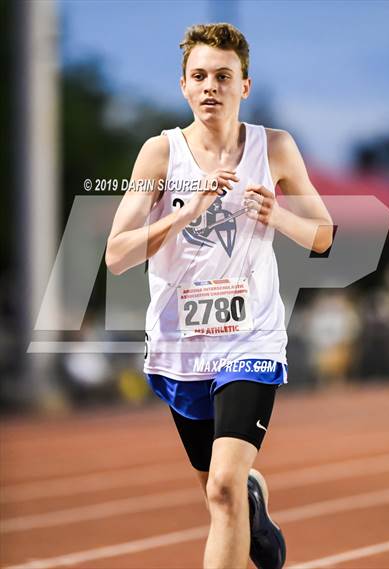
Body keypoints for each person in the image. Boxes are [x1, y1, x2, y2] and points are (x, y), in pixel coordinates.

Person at [106, 22, 333, 569]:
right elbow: (117, 254)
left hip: (250, 338)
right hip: (180, 345)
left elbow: (322, 233)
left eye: (223, 76)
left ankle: (241, 496)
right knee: (221, 488)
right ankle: (252, 508)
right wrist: (189, 210)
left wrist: (274, 213)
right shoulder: (158, 157)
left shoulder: (273, 147)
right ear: (184, 85)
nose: (211, 86)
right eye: (200, 76)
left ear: (244, 86)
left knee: (221, 491)